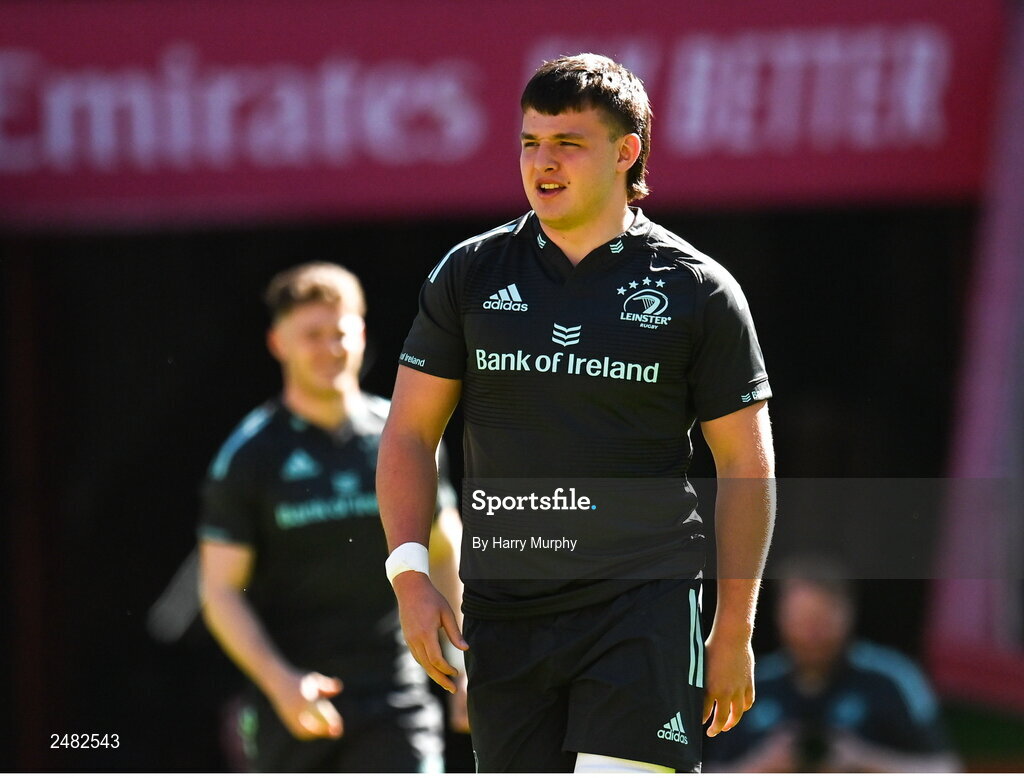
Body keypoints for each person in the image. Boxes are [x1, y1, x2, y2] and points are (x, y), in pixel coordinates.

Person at [377, 53, 775, 773]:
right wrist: (409, 571)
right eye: (530, 142)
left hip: (642, 607)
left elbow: (745, 463)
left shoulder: (698, 290)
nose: (542, 163)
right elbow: (408, 432)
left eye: (568, 143)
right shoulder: (469, 272)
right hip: (502, 612)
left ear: (627, 153)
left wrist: (733, 629)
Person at [197, 262, 466, 772]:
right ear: (277, 343)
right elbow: (220, 591)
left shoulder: (403, 438)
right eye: (311, 335)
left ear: (362, 334)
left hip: (397, 693)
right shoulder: (250, 455)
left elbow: (447, 552)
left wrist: (466, 666)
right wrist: (281, 683)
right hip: (294, 701)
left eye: (340, 332)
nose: (329, 349)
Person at [704, 560, 960, 772]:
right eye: (802, 621)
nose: (812, 634)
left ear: (849, 614)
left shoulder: (892, 679)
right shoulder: (752, 683)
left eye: (822, 621)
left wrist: (861, 759)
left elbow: (944, 769)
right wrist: (764, 764)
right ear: (779, 617)